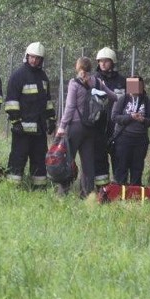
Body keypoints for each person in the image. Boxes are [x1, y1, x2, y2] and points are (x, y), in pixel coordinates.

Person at [56, 57, 114, 197]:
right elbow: (113, 97)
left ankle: (63, 193)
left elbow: (70, 107)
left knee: (68, 160)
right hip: (90, 128)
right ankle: (87, 194)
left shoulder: (74, 83)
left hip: (75, 127)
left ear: (78, 67)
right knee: (88, 163)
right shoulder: (97, 82)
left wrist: (62, 126)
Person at [4, 42, 56, 188]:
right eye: (32, 57)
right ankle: (12, 188)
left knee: (39, 159)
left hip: (39, 130)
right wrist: (16, 122)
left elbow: (47, 101)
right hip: (22, 130)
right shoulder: (18, 76)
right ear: (27, 56)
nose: (34, 60)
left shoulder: (43, 77)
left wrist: (51, 119)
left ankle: (39, 189)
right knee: (17, 158)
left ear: (41, 60)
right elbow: (11, 102)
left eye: (38, 58)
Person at [110, 75, 150, 185]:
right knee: (122, 166)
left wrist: (143, 120)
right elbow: (114, 117)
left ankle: (135, 192)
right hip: (124, 138)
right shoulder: (123, 99)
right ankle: (120, 190)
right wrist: (130, 117)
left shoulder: (146, 100)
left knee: (137, 167)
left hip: (140, 139)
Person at [93, 47, 126, 189]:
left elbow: (130, 102)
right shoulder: (94, 80)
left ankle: (119, 189)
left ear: (113, 62)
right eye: (100, 61)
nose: (103, 64)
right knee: (99, 160)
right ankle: (103, 190)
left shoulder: (123, 81)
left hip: (117, 128)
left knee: (118, 159)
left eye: (106, 61)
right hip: (98, 127)